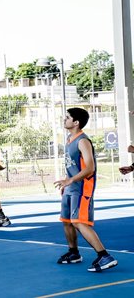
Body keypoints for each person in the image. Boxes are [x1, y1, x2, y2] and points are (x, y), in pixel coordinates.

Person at [54, 108, 118, 272]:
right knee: (66, 221)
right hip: (71, 187)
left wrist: (70, 180)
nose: (64, 119)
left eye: (67, 117)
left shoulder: (83, 141)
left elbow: (90, 168)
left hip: (82, 187)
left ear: (76, 122)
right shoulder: (69, 139)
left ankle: (104, 256)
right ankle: (74, 253)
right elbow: (73, 165)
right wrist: (67, 183)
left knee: (79, 222)